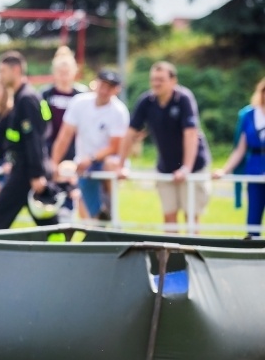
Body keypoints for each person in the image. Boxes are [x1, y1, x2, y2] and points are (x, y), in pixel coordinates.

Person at [117, 61, 211, 230]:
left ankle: (192, 247)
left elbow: (190, 134)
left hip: (193, 166)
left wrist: (186, 168)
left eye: (161, 79)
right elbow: (130, 132)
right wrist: (121, 165)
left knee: (191, 217)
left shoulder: (183, 99)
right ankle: (171, 249)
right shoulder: (146, 101)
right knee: (169, 216)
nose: (156, 83)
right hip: (166, 167)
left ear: (173, 81)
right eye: (153, 79)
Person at [0, 50, 55, 229]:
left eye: (3, 71)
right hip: (25, 170)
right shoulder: (23, 96)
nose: (0, 75)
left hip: (26, 172)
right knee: (46, 221)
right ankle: (60, 242)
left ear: (16, 70)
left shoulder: (26, 98)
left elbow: (34, 139)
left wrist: (36, 174)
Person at [50, 70, 129, 220]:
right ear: (95, 84)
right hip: (83, 162)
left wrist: (91, 158)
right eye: (102, 85)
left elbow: (115, 147)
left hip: (103, 161)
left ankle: (108, 206)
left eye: (109, 87)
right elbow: (64, 136)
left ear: (116, 90)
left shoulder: (119, 111)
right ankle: (94, 214)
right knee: (86, 210)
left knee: (109, 165)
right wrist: (53, 164)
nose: (104, 91)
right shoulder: (79, 103)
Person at [213, 77, 265, 236]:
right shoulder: (249, 115)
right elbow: (240, 149)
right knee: (253, 219)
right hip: (255, 170)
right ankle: (253, 248)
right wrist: (224, 170)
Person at [40, 46, 88, 219]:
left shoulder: (81, 95)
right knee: (55, 178)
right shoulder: (46, 94)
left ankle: (71, 212)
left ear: (74, 72)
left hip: (75, 147)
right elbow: (42, 122)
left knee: (72, 181)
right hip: (51, 145)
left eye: (67, 72)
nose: (64, 76)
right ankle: (54, 214)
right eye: (60, 72)